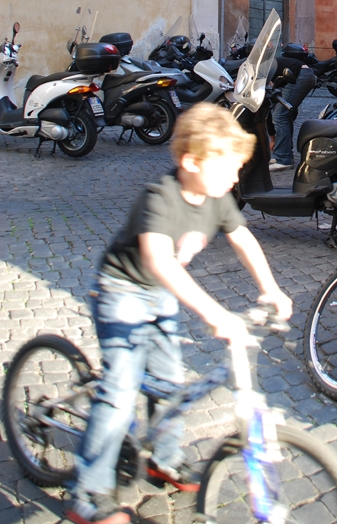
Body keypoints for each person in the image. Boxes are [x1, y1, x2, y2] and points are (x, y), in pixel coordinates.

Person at [67, 104, 292, 524]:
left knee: (170, 383)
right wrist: (213, 312)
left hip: (160, 296)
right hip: (122, 290)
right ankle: (88, 492)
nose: (235, 177)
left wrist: (271, 288)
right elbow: (160, 262)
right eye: (228, 166)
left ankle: (164, 459)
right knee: (119, 394)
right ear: (191, 162)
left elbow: (244, 241)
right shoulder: (161, 198)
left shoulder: (217, 197)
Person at [269, 54, 315, 171]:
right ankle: (283, 154)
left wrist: (273, 139)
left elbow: (267, 105)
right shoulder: (264, 66)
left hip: (300, 76)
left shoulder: (260, 71)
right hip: (304, 74)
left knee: (280, 116)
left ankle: (284, 159)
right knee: (283, 115)